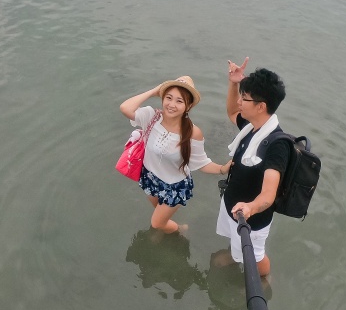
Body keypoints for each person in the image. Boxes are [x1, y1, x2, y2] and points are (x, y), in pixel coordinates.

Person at [119, 76, 232, 234]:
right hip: (149, 176)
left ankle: (178, 229)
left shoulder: (192, 132)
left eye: (179, 101)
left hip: (174, 186)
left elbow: (202, 162)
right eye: (168, 98)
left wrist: (222, 169)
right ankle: (169, 227)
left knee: (157, 223)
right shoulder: (151, 117)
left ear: (188, 105)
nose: (172, 105)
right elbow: (125, 108)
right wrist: (153, 91)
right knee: (160, 215)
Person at [216, 58, 290, 277]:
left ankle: (265, 280)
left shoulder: (277, 146)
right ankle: (235, 254)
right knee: (237, 249)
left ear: (261, 107)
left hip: (251, 220)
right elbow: (231, 112)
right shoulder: (252, 127)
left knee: (257, 257)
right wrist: (234, 83)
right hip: (234, 207)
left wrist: (250, 208)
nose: (239, 101)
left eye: (244, 98)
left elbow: (268, 195)